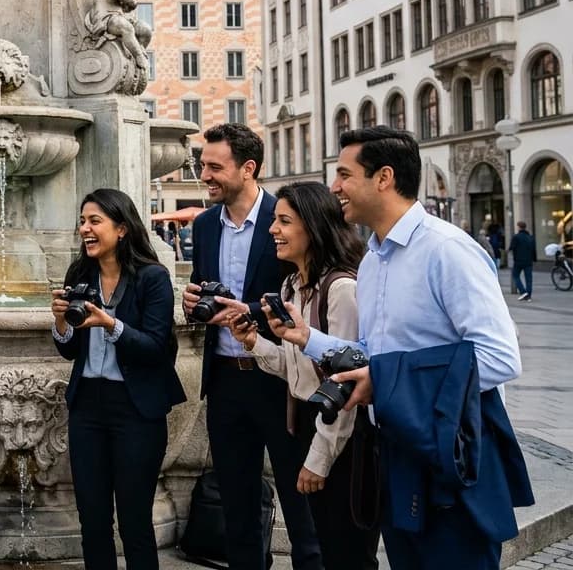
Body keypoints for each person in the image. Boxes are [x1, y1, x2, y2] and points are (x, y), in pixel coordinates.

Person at [288, 126, 530, 570]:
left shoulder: (447, 249)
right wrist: (309, 338)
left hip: (448, 452)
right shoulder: (374, 258)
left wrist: (384, 379)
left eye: (344, 174)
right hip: (394, 452)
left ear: (383, 177)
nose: (334, 187)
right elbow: (375, 353)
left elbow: (499, 357)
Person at [181, 123, 321, 570]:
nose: (205, 174)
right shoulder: (203, 225)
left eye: (214, 167)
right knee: (237, 506)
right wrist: (193, 302)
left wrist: (250, 313)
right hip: (224, 380)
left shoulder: (284, 220)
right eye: (203, 165)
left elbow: (304, 294)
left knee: (301, 504)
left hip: (280, 378)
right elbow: (207, 291)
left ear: (248, 168)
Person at [221, 182, 379, 570]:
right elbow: (295, 371)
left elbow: (344, 385)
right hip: (310, 424)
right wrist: (254, 342)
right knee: (326, 544)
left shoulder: (341, 288)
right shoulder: (292, 285)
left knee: (348, 552)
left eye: (284, 221)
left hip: (344, 437)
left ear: (313, 227)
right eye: (275, 220)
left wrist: (318, 461)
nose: (273, 229)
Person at [50, 189, 185, 570]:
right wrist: (61, 323)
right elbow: (70, 350)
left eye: (95, 221)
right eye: (82, 221)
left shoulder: (152, 278)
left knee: (134, 520)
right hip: (87, 407)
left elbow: (155, 347)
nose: (85, 229)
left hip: (136, 409)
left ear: (122, 229)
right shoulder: (79, 274)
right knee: (92, 520)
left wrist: (111, 324)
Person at [510, 221, 536, 301]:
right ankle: (529, 295)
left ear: (519, 227)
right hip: (528, 261)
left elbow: (512, 248)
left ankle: (523, 291)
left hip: (518, 261)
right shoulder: (530, 237)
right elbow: (533, 249)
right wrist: (534, 259)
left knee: (515, 275)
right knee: (529, 278)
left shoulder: (516, 237)